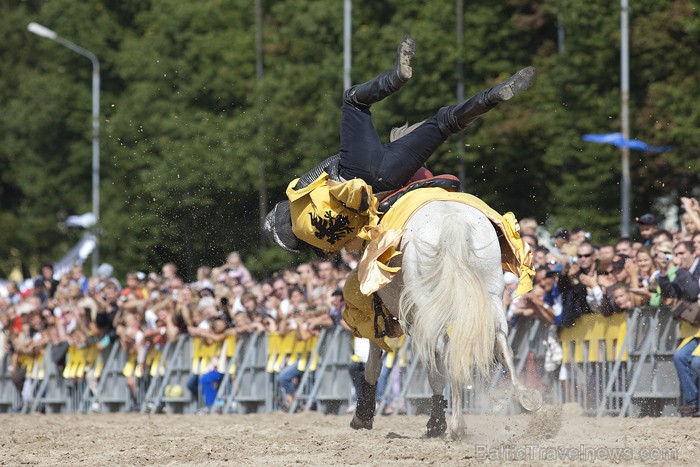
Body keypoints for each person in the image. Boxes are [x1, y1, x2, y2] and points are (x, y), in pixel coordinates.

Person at [264, 35, 536, 254]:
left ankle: (491, 99)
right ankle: (400, 78)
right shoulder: (296, 198)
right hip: (355, 168)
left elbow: (371, 235)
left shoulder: (331, 246)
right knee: (353, 101)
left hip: (390, 179)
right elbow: (327, 167)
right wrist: (368, 150)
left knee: (444, 124)